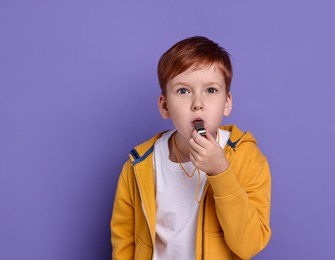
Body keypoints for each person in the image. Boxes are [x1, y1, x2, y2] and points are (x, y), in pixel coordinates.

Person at [111, 36, 271, 260]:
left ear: (227, 102)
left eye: (211, 90)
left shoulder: (246, 158)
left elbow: (249, 245)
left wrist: (221, 173)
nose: (198, 102)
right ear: (165, 106)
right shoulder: (140, 164)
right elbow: (123, 240)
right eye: (183, 91)